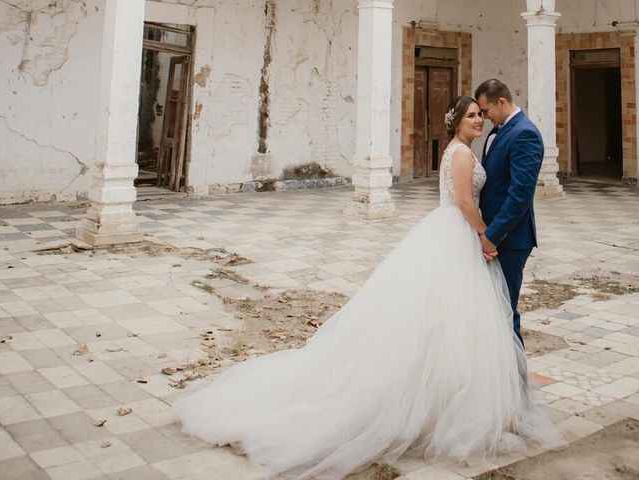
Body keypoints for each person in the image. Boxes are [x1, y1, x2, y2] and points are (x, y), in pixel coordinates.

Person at [173, 96, 561, 480]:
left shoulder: (468, 148)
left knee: (454, 321)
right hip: (457, 235)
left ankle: (456, 395)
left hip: (455, 237)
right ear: (457, 121)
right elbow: (462, 200)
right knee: (454, 315)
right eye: (472, 115)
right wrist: (485, 235)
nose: (479, 120)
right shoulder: (461, 155)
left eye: (481, 113)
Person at [475, 79, 544, 347]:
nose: (484, 117)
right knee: (493, 309)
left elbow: (519, 195)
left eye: (485, 110)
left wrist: (492, 236)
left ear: (501, 102)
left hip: (511, 239)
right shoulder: (499, 132)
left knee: (504, 310)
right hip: (493, 235)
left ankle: (515, 381)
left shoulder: (524, 133)